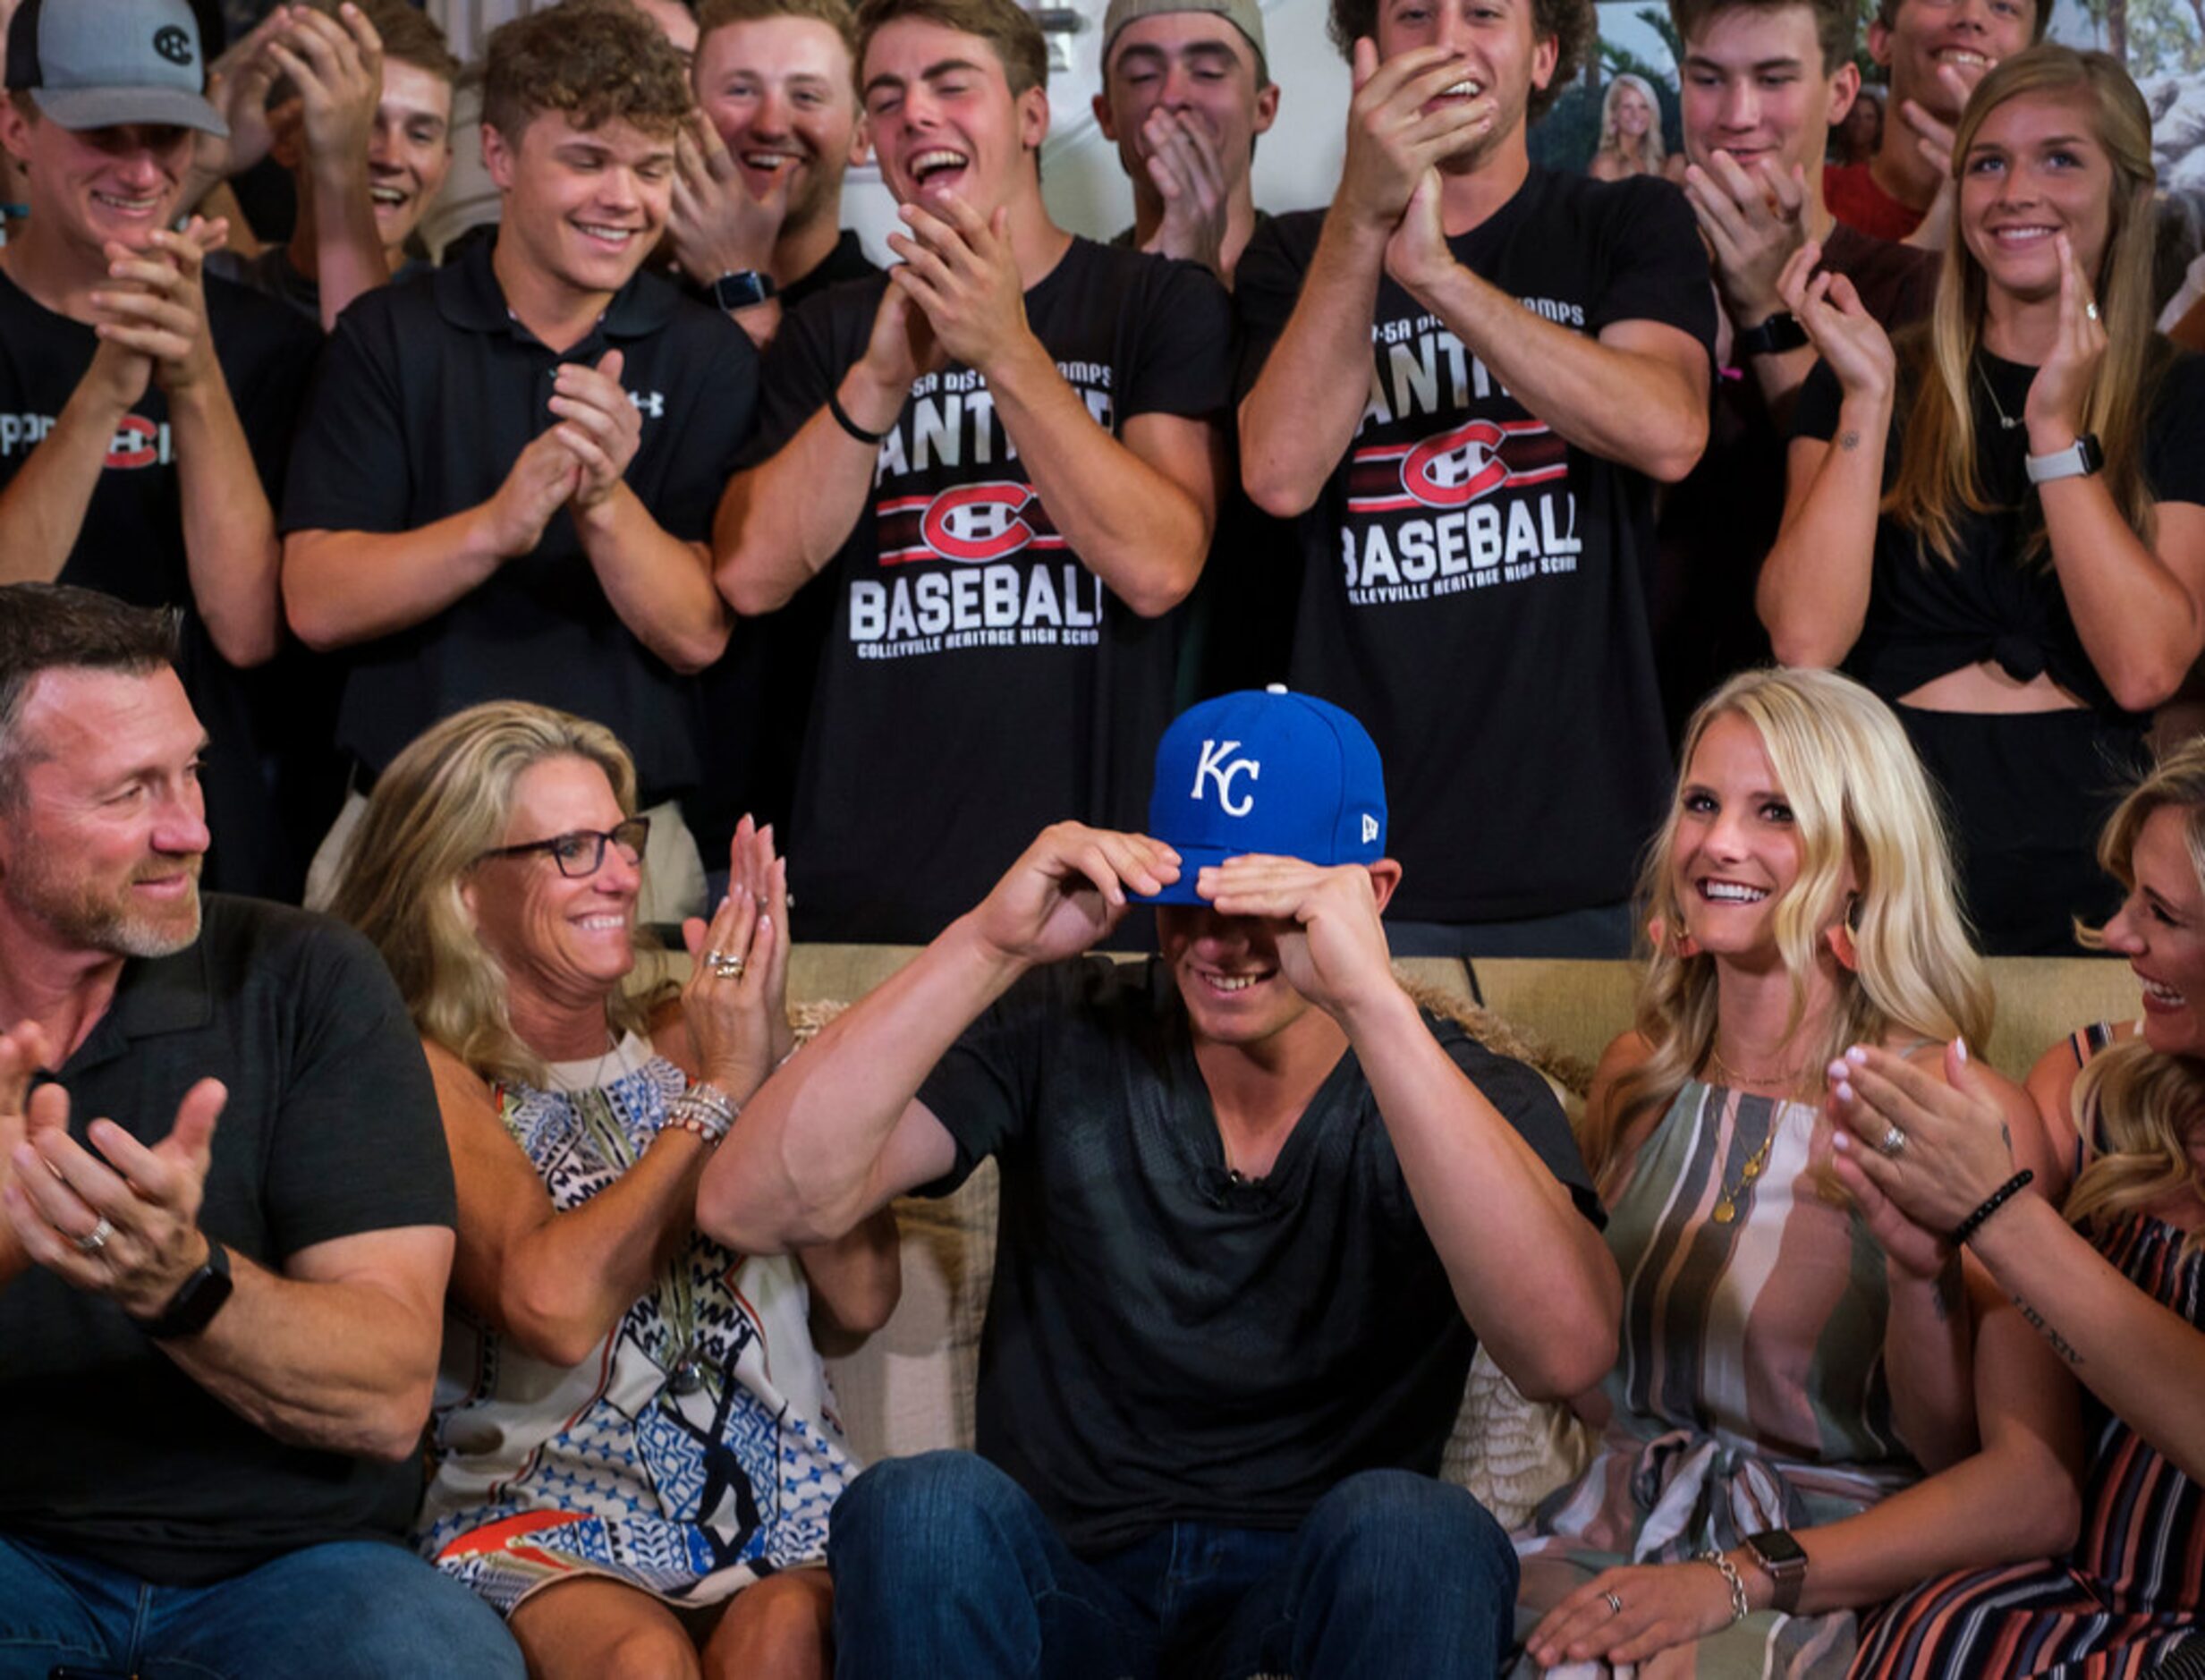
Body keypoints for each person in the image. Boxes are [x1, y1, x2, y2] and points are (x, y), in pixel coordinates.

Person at [696, 684, 1620, 1678]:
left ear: (1370, 893)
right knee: (914, 1504)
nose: (1218, 944)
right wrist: (987, 945)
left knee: (1421, 1531)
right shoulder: (1061, 1021)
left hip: (1308, 1605)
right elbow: (748, 1203)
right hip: (1066, 1589)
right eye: (1190, 901)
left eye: (1264, 905)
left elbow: (1567, 1357)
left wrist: (1371, 1004)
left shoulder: (1460, 1088)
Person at [1512, 666, 2080, 1680]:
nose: (1717, 842)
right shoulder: (1637, 1077)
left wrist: (1914, 1281)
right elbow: (1596, 1383)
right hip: (1599, 1533)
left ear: (1861, 859)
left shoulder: (1964, 1112)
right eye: (1700, 802)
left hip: (1821, 1574)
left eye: (1774, 811)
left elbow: (2015, 1483)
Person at [0, 583, 524, 1678]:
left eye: (189, 769)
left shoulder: (303, 978)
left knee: (436, 1662)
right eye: (129, 790)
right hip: (17, 1554)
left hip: (297, 1569)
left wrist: (179, 1285)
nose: (191, 826)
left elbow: (386, 1394)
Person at [328, 701, 897, 1680]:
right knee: (638, 1662)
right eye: (573, 848)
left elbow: (859, 1301)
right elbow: (549, 1306)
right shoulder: (434, 1076)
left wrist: (777, 1072)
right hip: (545, 1510)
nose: (624, 874)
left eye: (621, 839)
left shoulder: (701, 1027)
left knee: (783, 1646)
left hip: (783, 1504)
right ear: (464, 891)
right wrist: (719, 1095)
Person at [713, 0, 1232, 946]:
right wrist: (875, 382)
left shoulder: (1153, 303)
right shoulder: (830, 330)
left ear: (1032, 116)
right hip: (870, 899)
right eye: (887, 97)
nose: (915, 114)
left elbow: (1160, 567)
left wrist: (1004, 350)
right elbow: (750, 576)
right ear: (870, 139)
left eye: (951, 84)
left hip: (1096, 895)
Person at [1234, 0, 1715, 955]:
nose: (1447, 39)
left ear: (1543, 57)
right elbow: (1279, 474)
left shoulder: (1623, 220)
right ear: (1366, 58)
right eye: (1415, 14)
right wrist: (1363, 221)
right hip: (1358, 863)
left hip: (1589, 855)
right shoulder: (1294, 252)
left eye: (1484, 13)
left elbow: (1667, 430)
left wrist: (1440, 279)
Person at [283, 0, 758, 923]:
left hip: (625, 845)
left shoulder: (707, 357)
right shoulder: (390, 336)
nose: (623, 198)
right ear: (497, 156)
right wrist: (498, 526)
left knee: (641, 1078)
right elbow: (315, 600)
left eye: (649, 168)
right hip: (408, 830)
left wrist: (606, 499)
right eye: (586, 160)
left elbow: (699, 631)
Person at [1762, 46, 2205, 954]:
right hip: (1889, 835)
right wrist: (1868, 403)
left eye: (2057, 158)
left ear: (2123, 193)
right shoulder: (1869, 372)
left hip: (2094, 846)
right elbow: (1802, 641)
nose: (2013, 190)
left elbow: (2146, 669)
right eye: (1986, 163)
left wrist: (2054, 437)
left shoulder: (2179, 396)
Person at [1833, 739, 2205, 1679]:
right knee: (1926, 1633)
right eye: (2128, 896)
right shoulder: (2085, 1088)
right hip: (2056, 1592)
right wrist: (1919, 1271)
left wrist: (1995, 1210)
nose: (2116, 937)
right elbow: (1968, 1452)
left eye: (2160, 915)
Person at [0, 0, 322, 898]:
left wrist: (193, 373)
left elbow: (249, 627)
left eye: (169, 135)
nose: (143, 170)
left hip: (196, 822)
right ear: (16, 127)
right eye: (104, 133)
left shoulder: (261, 344)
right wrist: (104, 391)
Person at [1653, 0, 1936, 734]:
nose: (1737, 114)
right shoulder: (1629, 272)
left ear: (1840, 92)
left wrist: (1762, 313)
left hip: (1837, 728)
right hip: (1640, 720)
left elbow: (1894, 524)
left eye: (1773, 79)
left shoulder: (1909, 288)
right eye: (1708, 79)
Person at [207, 0, 460, 330]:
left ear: (443, 168)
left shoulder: (461, 318)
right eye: (365, 123)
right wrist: (202, 168)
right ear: (286, 141)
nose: (392, 158)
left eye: (421, 135)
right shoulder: (214, 286)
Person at [673, 0, 877, 349]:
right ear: (690, 120)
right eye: (741, 90)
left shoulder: (898, 320)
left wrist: (738, 283)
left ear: (861, 138)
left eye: (807, 96)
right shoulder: (625, 314)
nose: (771, 125)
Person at [1092, 0, 1279, 287]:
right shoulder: (1080, 298)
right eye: (1142, 76)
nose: (1172, 97)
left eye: (1208, 72)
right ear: (1107, 116)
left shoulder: (1320, 281)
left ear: (1264, 108)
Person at [1821, 0, 2040, 243]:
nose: (1972, 16)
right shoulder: (1806, 202)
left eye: (2003, 6)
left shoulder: (2050, 225)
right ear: (1882, 41)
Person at [1589, 73, 1683, 183]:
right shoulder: (1606, 165)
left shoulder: (1659, 163)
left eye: (1643, 107)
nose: (1636, 114)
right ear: (1613, 113)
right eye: (1627, 107)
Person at [1832, 83, 1880, 165]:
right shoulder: (1833, 167)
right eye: (1854, 115)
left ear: (1878, 125)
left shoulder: (1885, 169)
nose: (1860, 122)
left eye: (1869, 117)